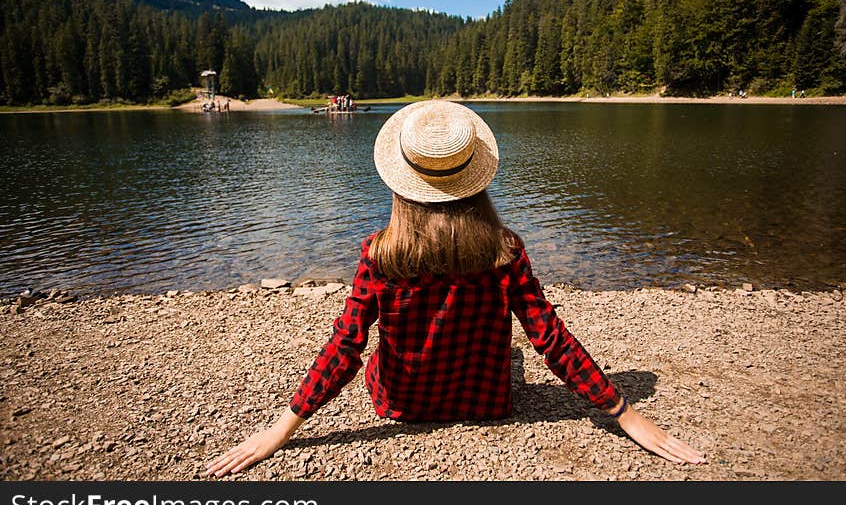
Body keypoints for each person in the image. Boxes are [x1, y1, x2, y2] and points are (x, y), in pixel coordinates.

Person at [205, 101, 706, 478]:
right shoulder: (504, 249)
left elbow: (347, 345)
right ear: (475, 178)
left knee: (395, 345)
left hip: (400, 405)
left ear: (400, 178)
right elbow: (549, 336)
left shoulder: (380, 253)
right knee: (515, 349)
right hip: (486, 403)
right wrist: (624, 412)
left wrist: (281, 428)